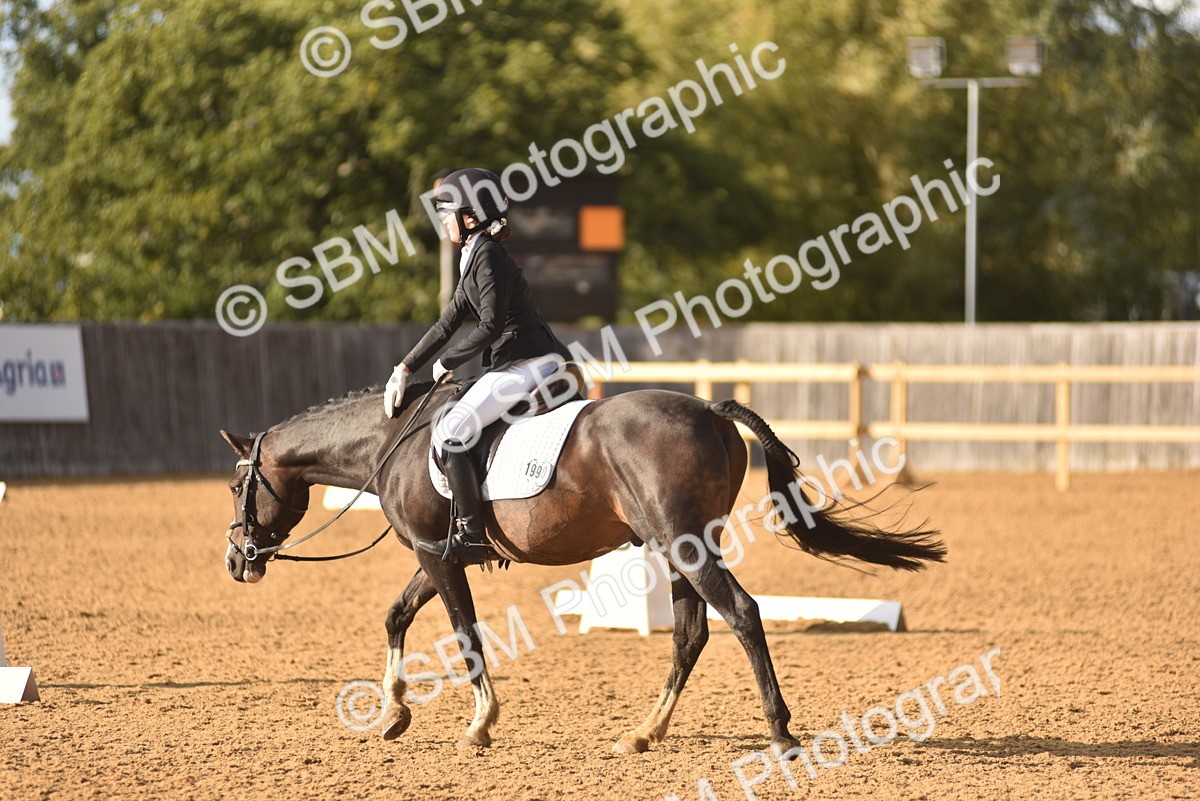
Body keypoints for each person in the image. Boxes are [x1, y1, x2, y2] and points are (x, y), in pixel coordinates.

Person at [382, 168, 572, 565]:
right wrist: (404, 367)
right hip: (516, 362)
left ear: (470, 216)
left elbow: (489, 325)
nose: (442, 221)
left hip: (530, 361)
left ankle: (470, 533)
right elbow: (448, 322)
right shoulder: (474, 255)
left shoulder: (487, 255)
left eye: (447, 212)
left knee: (450, 432)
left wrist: (446, 362)